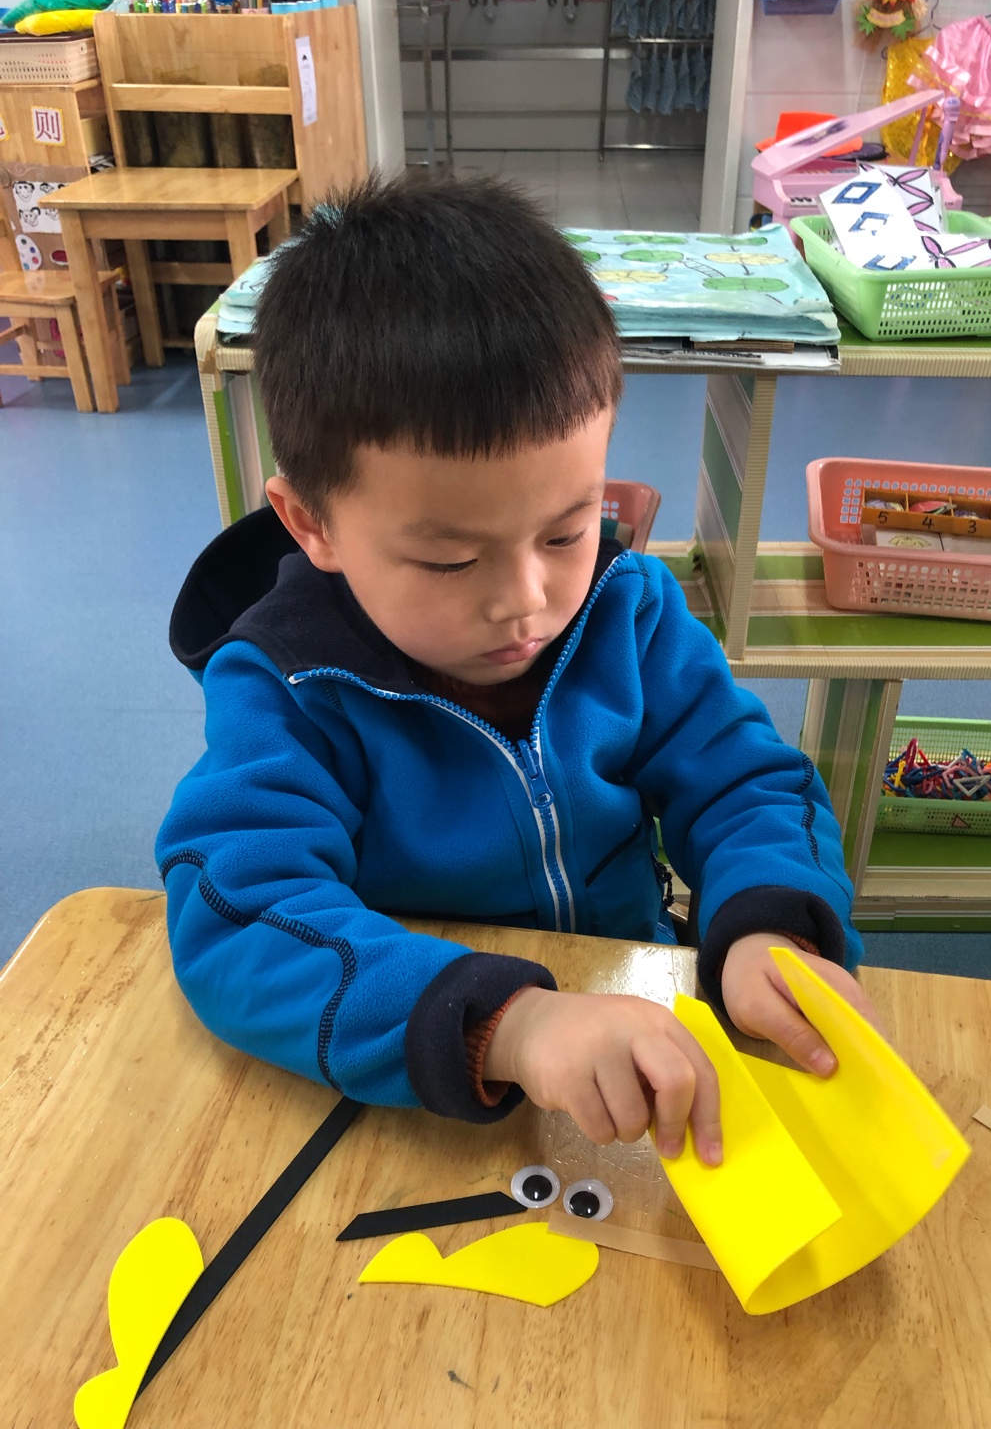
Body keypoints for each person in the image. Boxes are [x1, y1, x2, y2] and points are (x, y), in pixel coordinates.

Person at [157, 174, 873, 1169]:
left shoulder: (629, 615)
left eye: (567, 531)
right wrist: (508, 1025)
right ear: (312, 523)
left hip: (632, 1025)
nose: (525, 600)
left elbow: (746, 780)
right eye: (452, 561)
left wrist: (767, 925)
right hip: (421, 1071)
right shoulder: (288, 689)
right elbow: (238, 916)